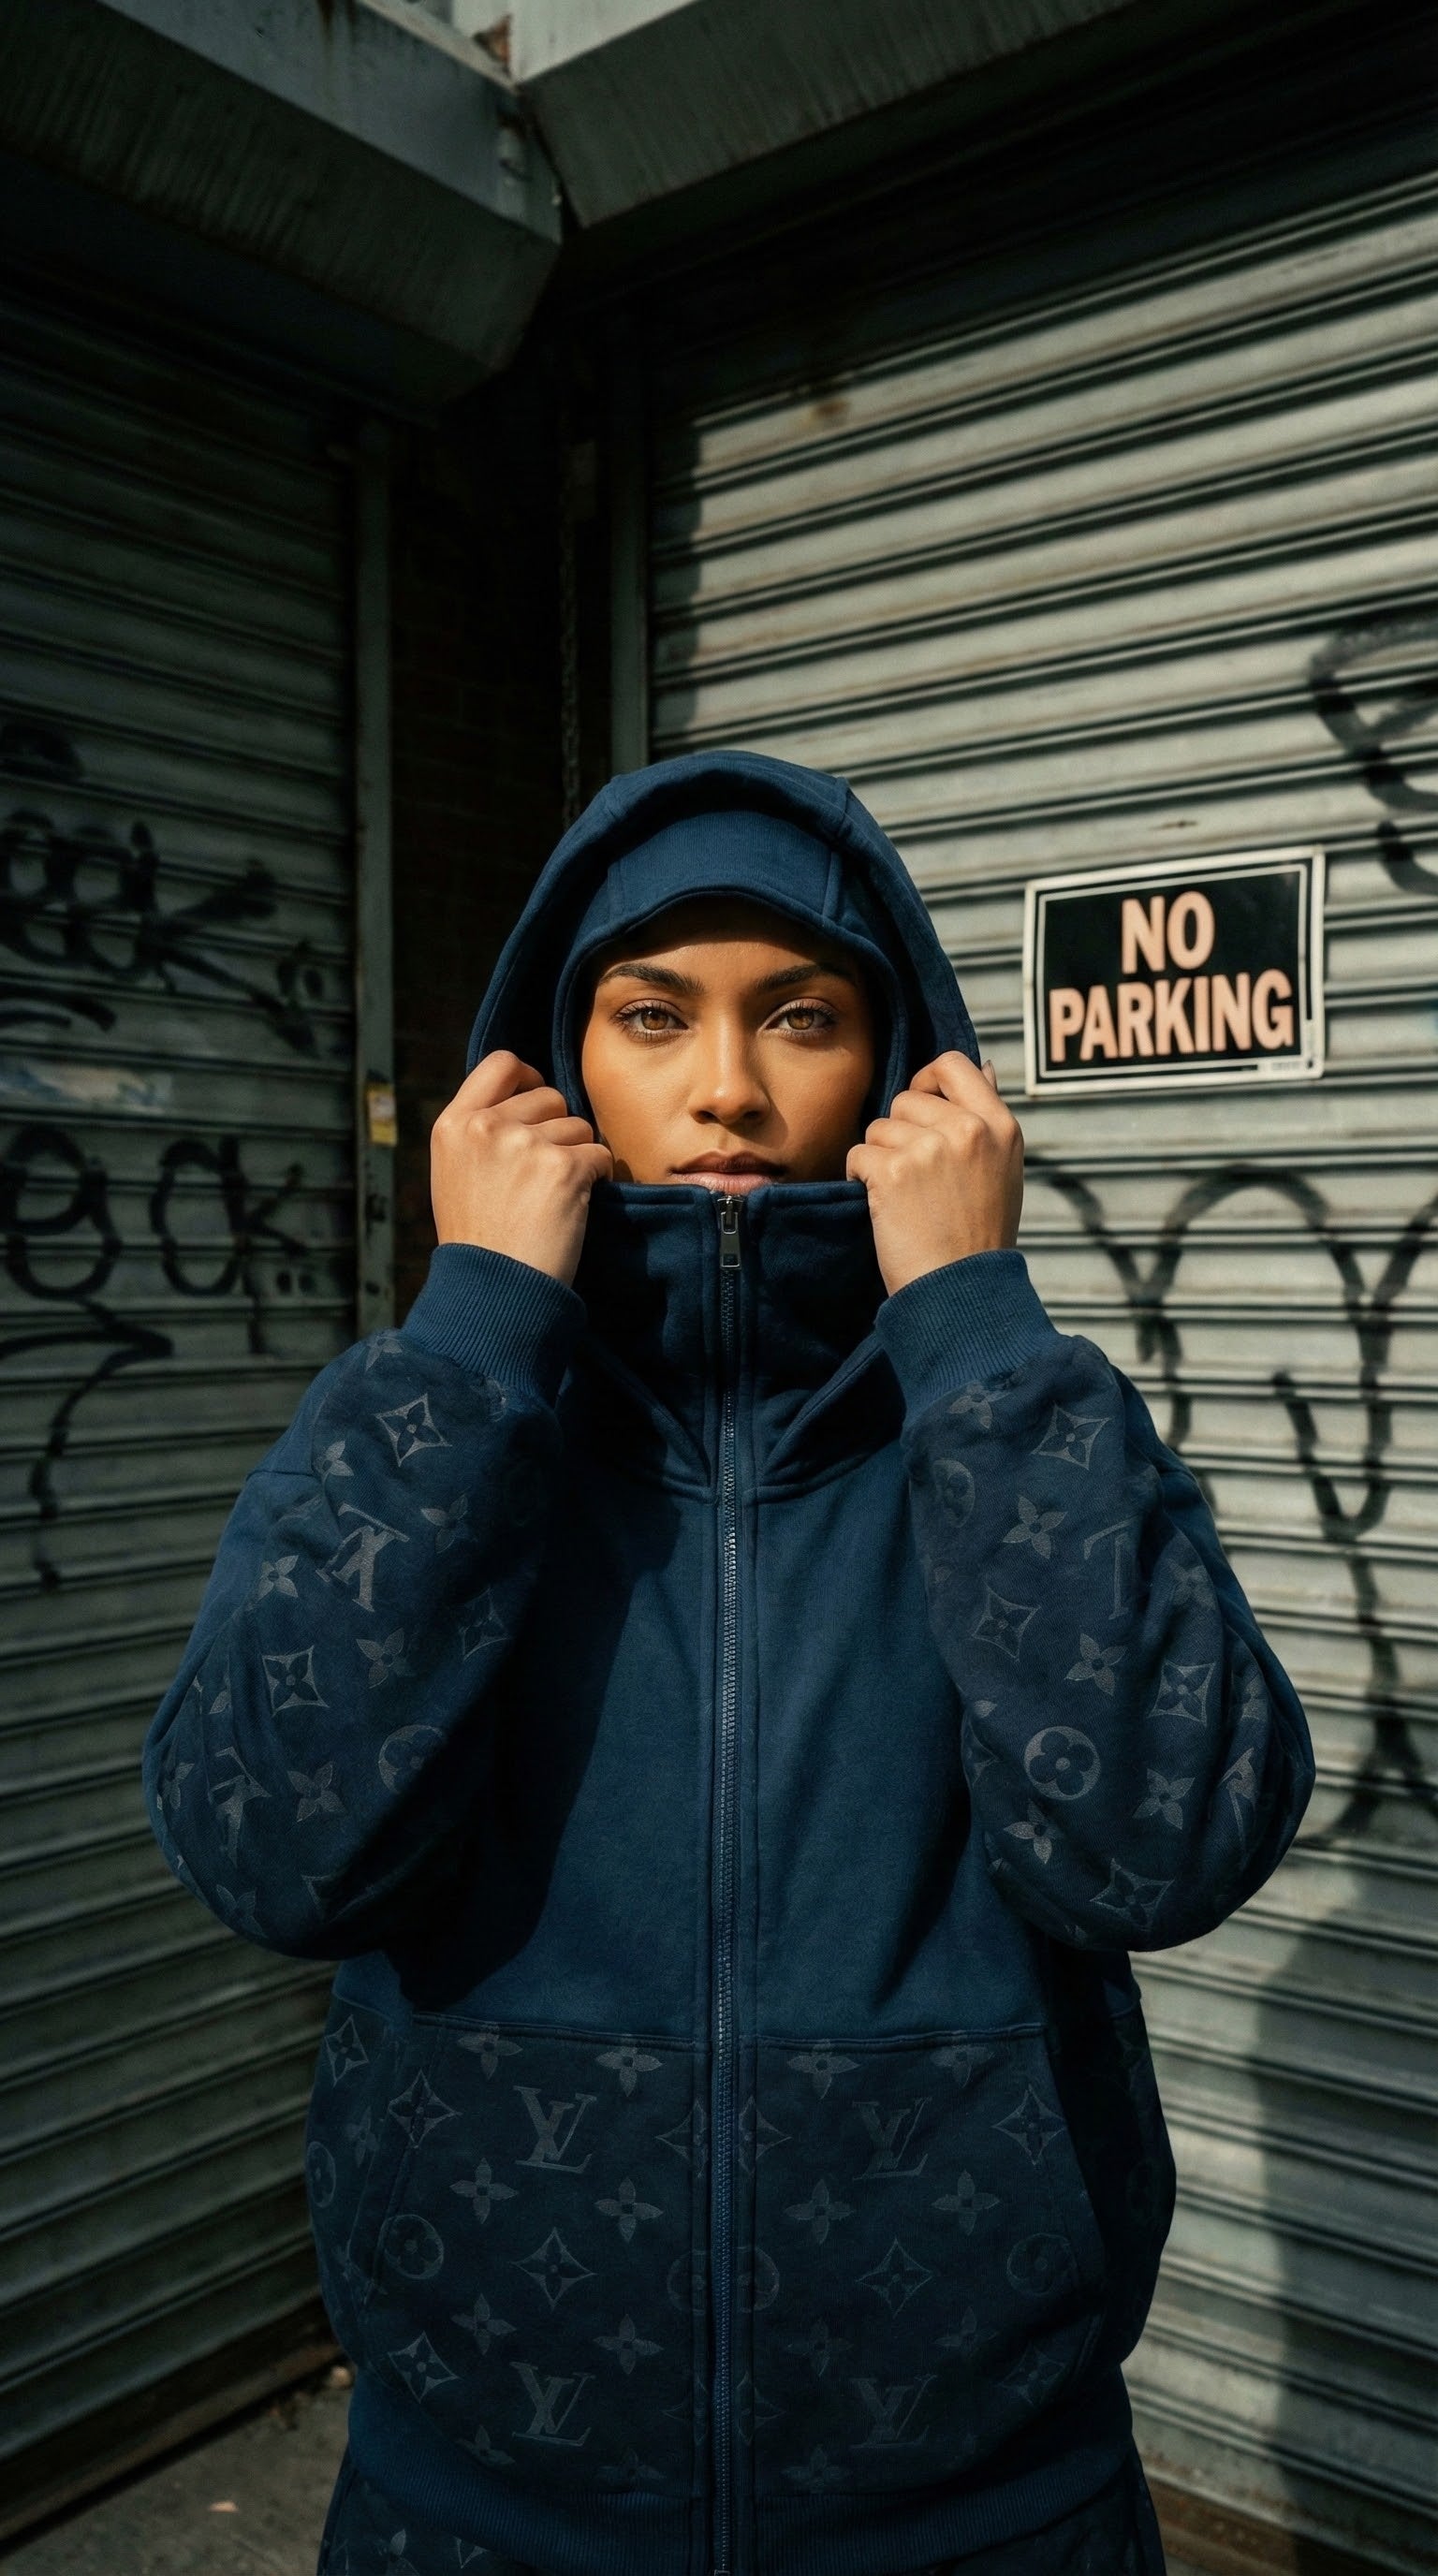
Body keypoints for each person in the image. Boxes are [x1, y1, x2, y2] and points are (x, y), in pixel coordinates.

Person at [141, 750, 1313, 2576]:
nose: (727, 1087)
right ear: (550, 1065)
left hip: (988, 2517)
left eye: (803, 1015)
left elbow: (1161, 1848)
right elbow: (275, 1852)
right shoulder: (431, 1424)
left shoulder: (1011, 1424)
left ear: (902, 1070)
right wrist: (477, 1330)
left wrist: (976, 1325)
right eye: (651, 1014)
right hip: (484, 2517)